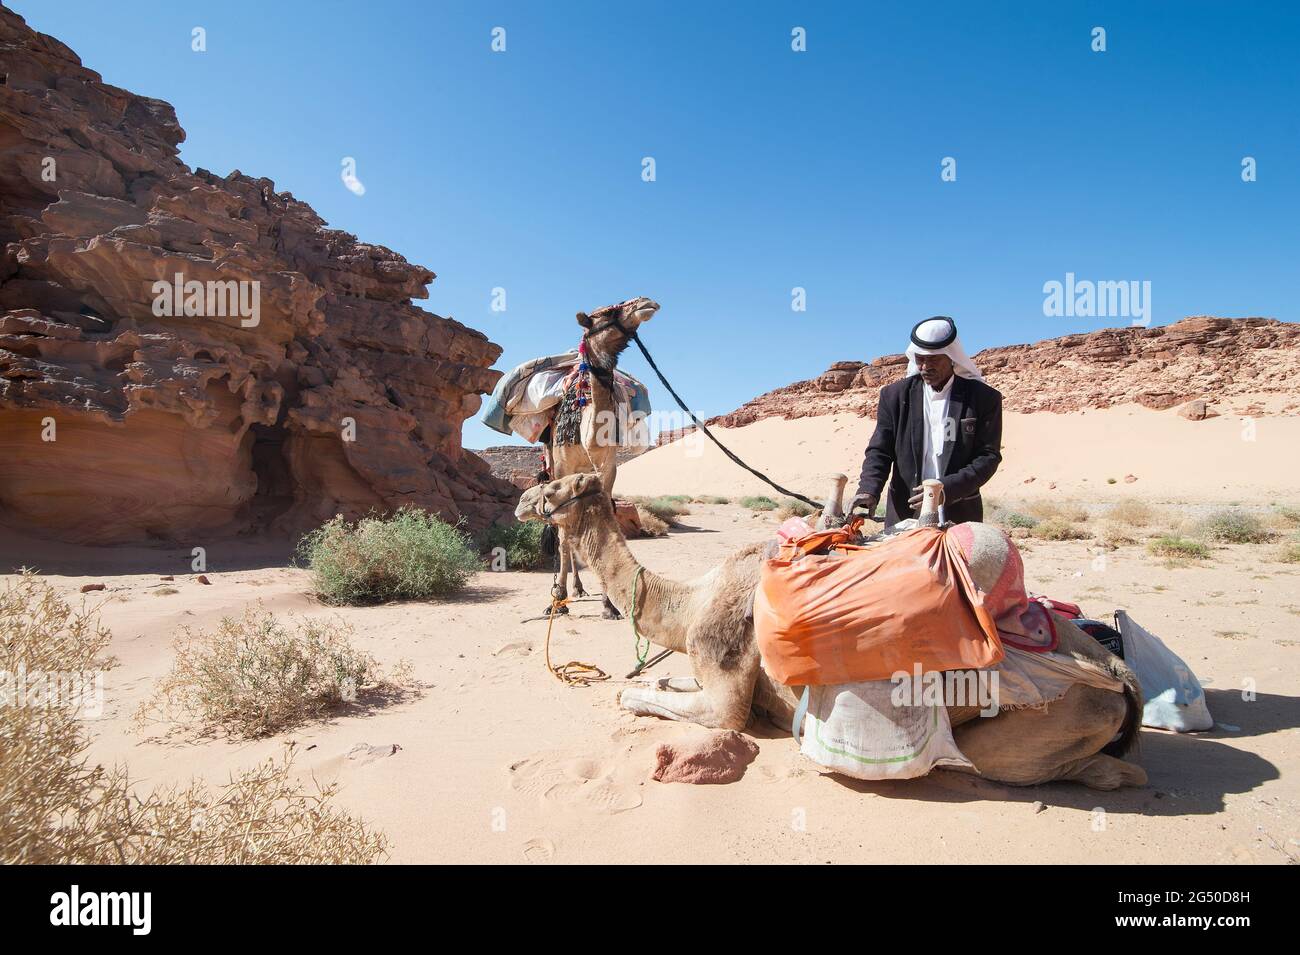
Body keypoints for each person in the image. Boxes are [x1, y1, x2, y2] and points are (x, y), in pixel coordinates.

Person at [849, 316, 1002, 526]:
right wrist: (868, 489)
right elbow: (880, 450)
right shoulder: (894, 396)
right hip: (905, 513)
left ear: (951, 357)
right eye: (919, 359)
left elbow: (988, 457)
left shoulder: (983, 398)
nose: (924, 366)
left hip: (960, 513)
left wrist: (945, 490)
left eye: (933, 359)